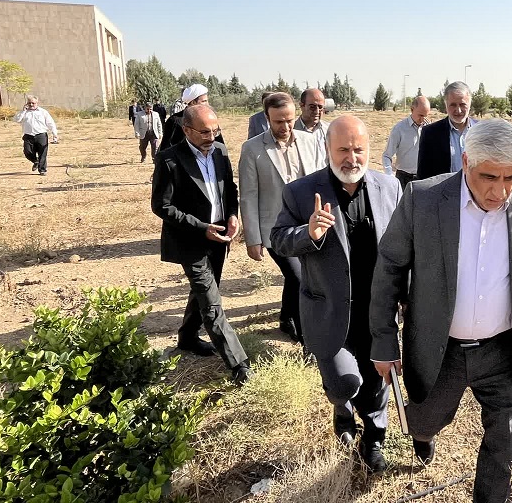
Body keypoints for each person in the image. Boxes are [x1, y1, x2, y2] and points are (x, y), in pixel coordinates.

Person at [370, 119, 512, 502]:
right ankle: (424, 435)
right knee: (423, 421)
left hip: (503, 352)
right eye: (489, 177)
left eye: (511, 177)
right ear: (467, 161)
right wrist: (384, 340)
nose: (500, 191)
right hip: (440, 349)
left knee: (508, 449)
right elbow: (390, 268)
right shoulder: (423, 199)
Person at [271, 116, 403, 473]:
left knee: (377, 383)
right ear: (328, 149)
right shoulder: (301, 192)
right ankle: (342, 410)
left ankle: (374, 439)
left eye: (358, 149)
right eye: (343, 149)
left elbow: (404, 247)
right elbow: (278, 240)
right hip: (329, 311)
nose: (352, 158)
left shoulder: (390, 187)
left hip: (376, 311)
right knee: (345, 383)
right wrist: (308, 233)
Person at [151, 105, 251, 384]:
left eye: (215, 130)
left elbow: (229, 188)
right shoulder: (169, 159)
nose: (211, 136)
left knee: (206, 290)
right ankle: (239, 364)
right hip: (189, 239)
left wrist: (232, 215)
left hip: (219, 236)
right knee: (211, 301)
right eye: (205, 132)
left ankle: (187, 338)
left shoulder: (220, 152)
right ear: (187, 130)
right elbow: (161, 206)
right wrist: (200, 227)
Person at [239, 92, 325, 343]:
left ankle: (286, 317)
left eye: (289, 120)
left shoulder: (310, 141)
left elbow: (320, 181)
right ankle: (307, 338)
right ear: (267, 118)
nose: (285, 127)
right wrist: (253, 239)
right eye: (278, 122)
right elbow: (248, 196)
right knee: (299, 277)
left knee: (298, 277)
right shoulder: (252, 149)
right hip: (275, 229)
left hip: (307, 226)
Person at [416, 81, 476, 180]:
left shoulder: (482, 131)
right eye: (453, 105)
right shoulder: (430, 133)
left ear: (469, 104)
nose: (458, 110)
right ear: (446, 104)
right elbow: (423, 175)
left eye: (462, 104)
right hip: (443, 189)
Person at [382, 95, 431, 189]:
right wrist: (390, 176)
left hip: (423, 178)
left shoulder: (430, 129)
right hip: (403, 179)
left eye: (426, 116)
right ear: (412, 109)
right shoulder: (399, 129)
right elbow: (387, 156)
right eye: (420, 115)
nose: (423, 119)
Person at [159, 84, 224, 152]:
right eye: (204, 101)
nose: (207, 104)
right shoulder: (175, 121)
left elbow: (219, 146)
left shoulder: (209, 118)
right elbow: (165, 149)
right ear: (193, 102)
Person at [13, 95, 58, 176]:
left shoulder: (43, 112)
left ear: (37, 103)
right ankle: (35, 161)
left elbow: (50, 123)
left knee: (42, 153)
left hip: (41, 135)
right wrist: (23, 111)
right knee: (27, 152)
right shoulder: (24, 112)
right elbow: (17, 120)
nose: (31, 104)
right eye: (29, 103)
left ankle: (42, 170)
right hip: (28, 136)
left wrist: (54, 134)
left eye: (33, 103)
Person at [293, 88, 329, 163]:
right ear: (302, 106)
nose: (317, 111)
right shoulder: (291, 132)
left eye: (320, 107)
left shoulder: (329, 130)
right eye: (312, 107)